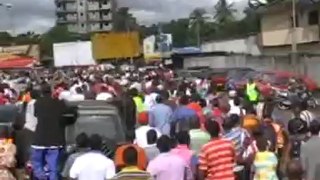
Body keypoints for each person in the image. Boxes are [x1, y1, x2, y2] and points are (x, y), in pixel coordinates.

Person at [31, 83, 70, 180]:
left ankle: (40, 178)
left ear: (41, 92)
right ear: (51, 91)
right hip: (55, 138)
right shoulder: (59, 103)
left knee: (38, 164)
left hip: (40, 137)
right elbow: (66, 115)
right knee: (53, 167)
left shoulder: (37, 103)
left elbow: (36, 115)